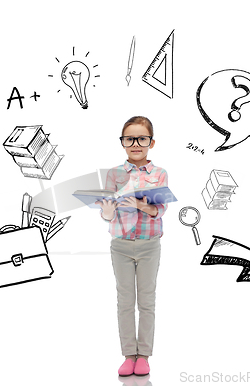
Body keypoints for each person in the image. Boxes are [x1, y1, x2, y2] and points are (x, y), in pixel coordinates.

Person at [96, 116, 168, 377]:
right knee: (125, 301)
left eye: (142, 138)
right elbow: (107, 213)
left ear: (151, 142)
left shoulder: (159, 173)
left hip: (150, 245)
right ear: (123, 142)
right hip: (121, 245)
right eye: (130, 139)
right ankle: (129, 354)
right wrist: (106, 212)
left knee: (146, 301)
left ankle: (144, 356)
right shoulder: (114, 174)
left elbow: (159, 210)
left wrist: (138, 204)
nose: (135, 144)